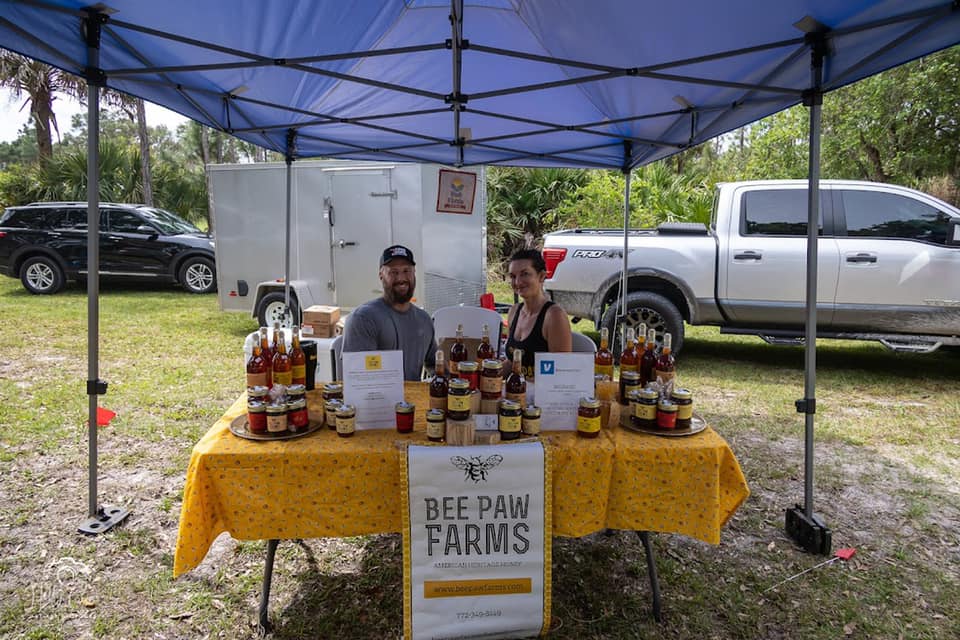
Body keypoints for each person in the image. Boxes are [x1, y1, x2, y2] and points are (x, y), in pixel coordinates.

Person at [342, 244, 437, 381]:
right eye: (393, 272)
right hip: (376, 401)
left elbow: (437, 366)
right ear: (381, 275)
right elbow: (357, 380)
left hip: (414, 401)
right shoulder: (363, 319)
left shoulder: (424, 320)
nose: (401, 278)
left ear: (414, 273)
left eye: (406, 271)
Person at [504, 248, 572, 379]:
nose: (517, 282)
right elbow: (513, 362)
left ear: (541, 276)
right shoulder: (514, 311)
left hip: (543, 396)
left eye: (525, 274)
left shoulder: (554, 316)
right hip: (516, 393)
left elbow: (562, 371)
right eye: (513, 276)